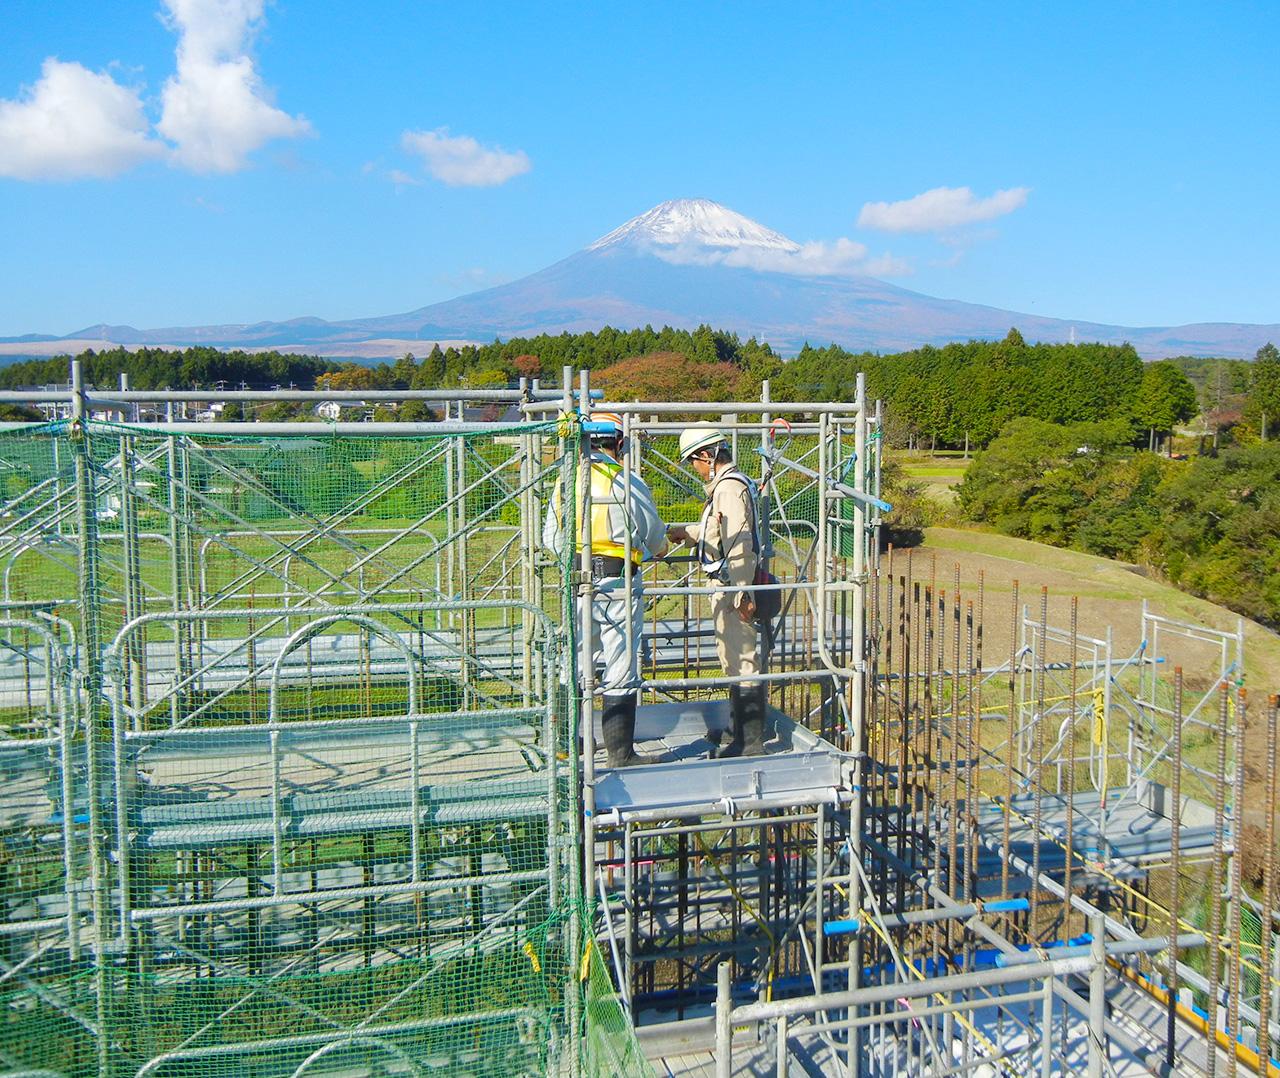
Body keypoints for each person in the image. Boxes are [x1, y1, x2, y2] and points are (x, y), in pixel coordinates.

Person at [542, 411, 668, 768]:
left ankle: (568, 742)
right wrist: (654, 549)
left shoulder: (567, 482)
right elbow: (654, 535)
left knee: (576, 657)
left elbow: (550, 538)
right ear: (619, 443)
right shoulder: (625, 481)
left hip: (578, 578)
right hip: (618, 582)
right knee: (621, 660)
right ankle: (621, 754)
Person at [667, 426, 767, 757]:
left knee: (741, 660)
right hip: (728, 585)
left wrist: (742, 595)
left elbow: (739, 543)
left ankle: (749, 742)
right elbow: (719, 528)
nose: (693, 469)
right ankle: (738, 729)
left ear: (707, 457)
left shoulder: (727, 489)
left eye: (693, 462)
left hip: (731, 587)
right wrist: (689, 532)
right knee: (732, 659)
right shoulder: (730, 485)